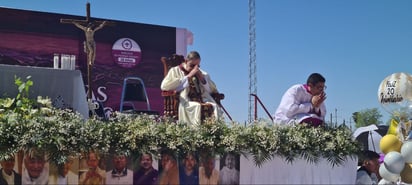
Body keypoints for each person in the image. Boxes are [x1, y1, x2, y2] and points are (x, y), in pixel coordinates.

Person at [160, 51, 222, 125]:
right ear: (186, 61)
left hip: (201, 99)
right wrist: (188, 76)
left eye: (198, 66)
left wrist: (202, 79)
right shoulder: (175, 71)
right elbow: (164, 86)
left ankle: (213, 132)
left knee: (214, 106)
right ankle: (195, 132)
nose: (195, 68)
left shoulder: (202, 73)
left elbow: (210, 90)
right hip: (184, 100)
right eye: (192, 65)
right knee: (196, 107)